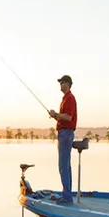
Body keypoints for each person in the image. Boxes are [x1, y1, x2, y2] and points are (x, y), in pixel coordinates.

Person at [48, 74, 77, 203]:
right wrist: (55, 116)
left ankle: (66, 196)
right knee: (65, 165)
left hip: (66, 134)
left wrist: (56, 114)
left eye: (62, 82)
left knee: (63, 165)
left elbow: (69, 117)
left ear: (68, 84)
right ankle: (67, 194)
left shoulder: (70, 98)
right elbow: (63, 117)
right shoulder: (65, 99)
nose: (61, 85)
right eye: (60, 83)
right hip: (64, 132)